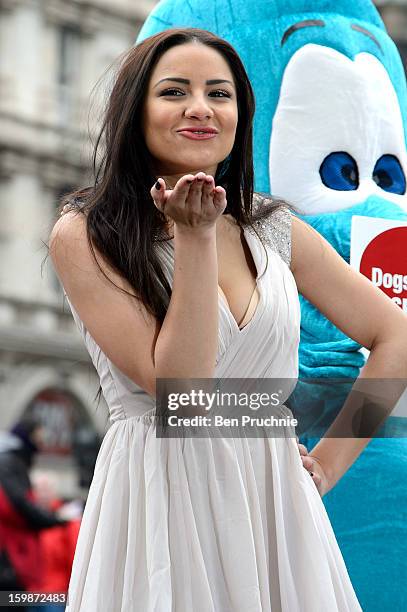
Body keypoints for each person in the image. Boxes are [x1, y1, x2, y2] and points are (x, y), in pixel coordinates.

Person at [49, 28, 407, 612]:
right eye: (173, 92)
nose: (199, 108)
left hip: (276, 497)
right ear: (135, 112)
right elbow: (180, 395)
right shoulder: (89, 233)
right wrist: (193, 240)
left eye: (219, 93)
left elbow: (397, 336)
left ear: (241, 114)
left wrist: (328, 465)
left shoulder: (275, 230)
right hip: (160, 494)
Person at [0, 416, 67, 611]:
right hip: (15, 570)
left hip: (33, 584)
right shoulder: (9, 464)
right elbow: (17, 507)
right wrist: (56, 519)